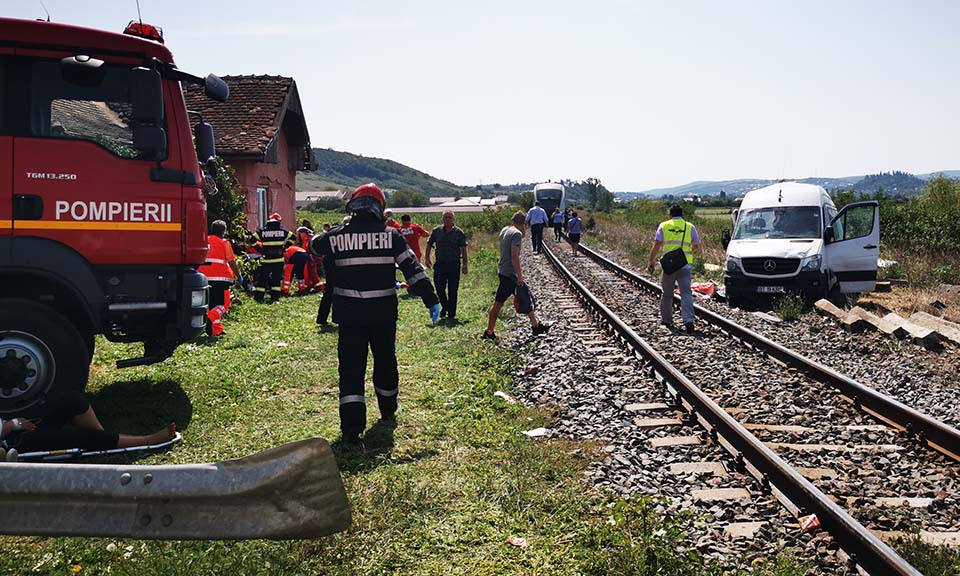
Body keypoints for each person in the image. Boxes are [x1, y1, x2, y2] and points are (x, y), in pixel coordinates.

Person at [311, 183, 441, 444]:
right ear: (379, 208)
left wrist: (338, 231)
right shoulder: (392, 236)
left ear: (354, 205)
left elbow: (314, 247)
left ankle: (352, 428)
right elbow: (413, 269)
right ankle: (387, 410)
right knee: (385, 362)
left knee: (351, 369)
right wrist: (431, 299)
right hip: (383, 314)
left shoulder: (336, 236)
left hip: (350, 316)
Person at [1, 391, 177, 456]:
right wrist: (9, 426)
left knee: (72, 400)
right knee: (77, 437)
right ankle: (147, 441)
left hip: (14, 428)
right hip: (12, 443)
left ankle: (103, 440)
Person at [482, 211, 551, 340]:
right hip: (510, 274)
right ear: (524, 223)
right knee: (500, 302)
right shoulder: (516, 234)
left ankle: (535, 325)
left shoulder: (505, 230)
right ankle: (489, 332)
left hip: (503, 271)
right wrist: (519, 276)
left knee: (523, 297)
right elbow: (514, 256)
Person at [646, 205, 701, 334]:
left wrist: (651, 261)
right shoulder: (690, 227)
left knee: (667, 294)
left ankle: (667, 320)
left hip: (669, 266)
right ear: (681, 215)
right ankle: (689, 321)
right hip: (685, 265)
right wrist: (686, 253)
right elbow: (696, 245)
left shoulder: (664, 226)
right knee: (686, 293)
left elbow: (657, 244)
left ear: (670, 215)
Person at [198, 220, 242, 336]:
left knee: (212, 305)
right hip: (221, 279)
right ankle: (210, 318)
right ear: (223, 231)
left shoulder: (203, 241)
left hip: (203, 278)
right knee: (223, 305)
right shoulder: (224, 243)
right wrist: (239, 276)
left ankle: (216, 330)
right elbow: (231, 261)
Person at [424, 210, 469, 322]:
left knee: (453, 290)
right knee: (439, 288)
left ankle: (451, 313)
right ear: (442, 219)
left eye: (450, 217)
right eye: (445, 217)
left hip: (454, 264)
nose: (447, 219)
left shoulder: (459, 233)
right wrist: (427, 258)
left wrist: (465, 265)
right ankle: (445, 306)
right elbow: (429, 244)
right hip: (440, 264)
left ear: (453, 219)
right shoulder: (437, 231)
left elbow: (464, 249)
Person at [250, 213, 295, 303]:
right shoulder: (282, 231)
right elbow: (293, 237)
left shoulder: (262, 231)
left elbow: (252, 240)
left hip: (266, 259)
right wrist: (285, 247)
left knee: (262, 278)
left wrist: (260, 250)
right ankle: (275, 298)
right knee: (276, 280)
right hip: (279, 260)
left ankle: (259, 297)